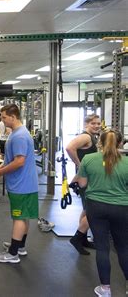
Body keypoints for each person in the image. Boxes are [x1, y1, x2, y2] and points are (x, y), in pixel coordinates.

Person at [75, 129, 128, 297]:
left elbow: (82, 184)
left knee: (102, 247)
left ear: (99, 143)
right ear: (120, 143)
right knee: (123, 248)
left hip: (96, 207)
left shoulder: (89, 159)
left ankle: (105, 289)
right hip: (121, 208)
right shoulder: (127, 162)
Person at [0, 104, 39, 263]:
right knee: (24, 216)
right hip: (23, 184)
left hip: (22, 185)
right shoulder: (17, 133)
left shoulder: (20, 136)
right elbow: (10, 160)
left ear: (13, 117)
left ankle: (13, 253)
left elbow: (19, 162)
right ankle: (20, 246)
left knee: (19, 218)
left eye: (3, 117)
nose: (2, 121)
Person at [66, 114, 101, 255]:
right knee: (91, 210)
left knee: (86, 209)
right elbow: (69, 148)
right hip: (85, 178)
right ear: (86, 124)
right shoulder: (86, 137)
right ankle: (77, 238)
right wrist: (80, 165)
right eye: (93, 123)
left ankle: (83, 238)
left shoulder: (92, 137)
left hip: (87, 177)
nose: (97, 126)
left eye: (98, 123)